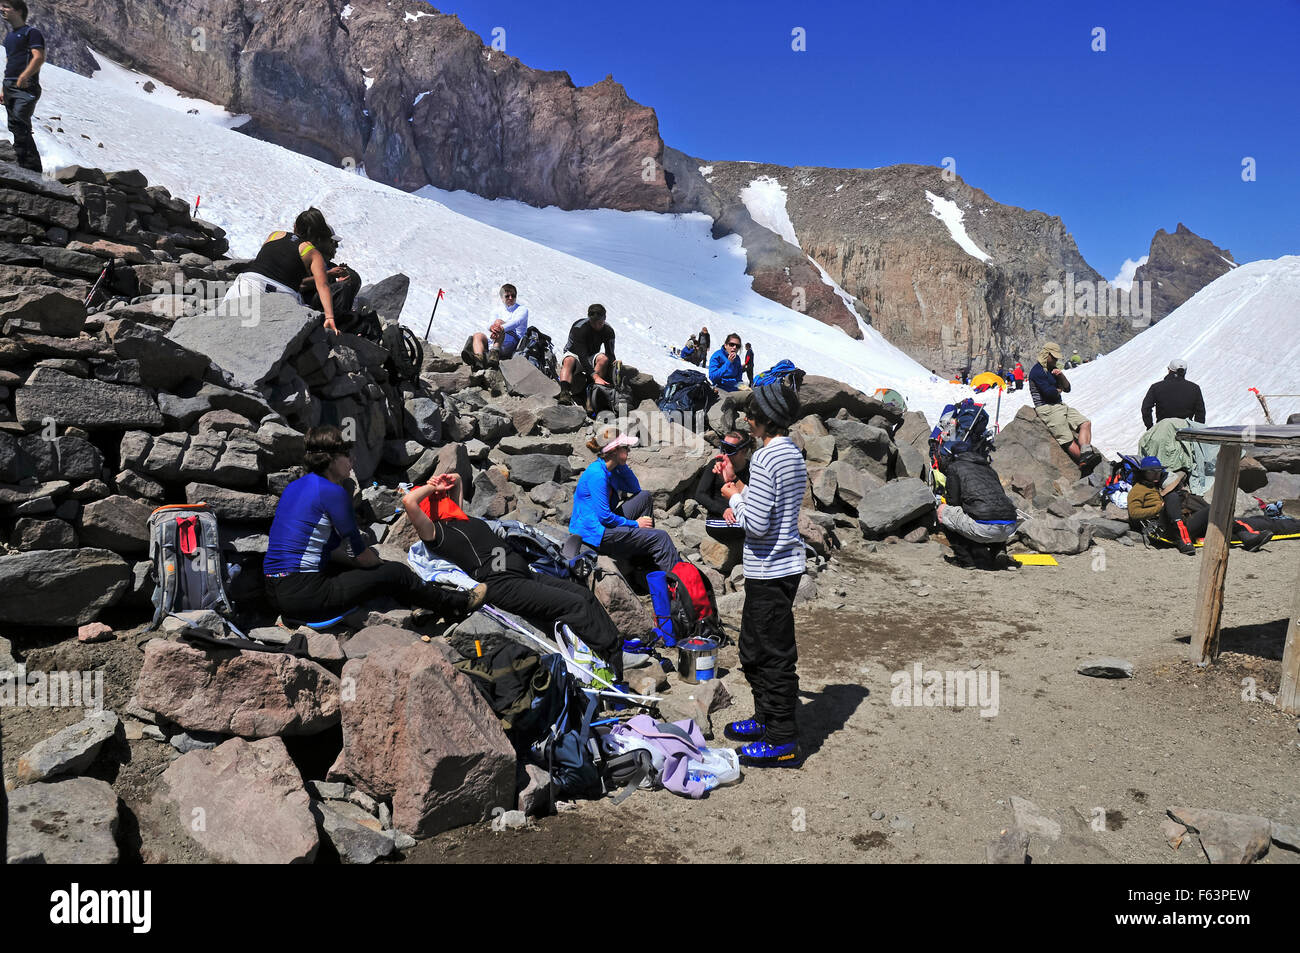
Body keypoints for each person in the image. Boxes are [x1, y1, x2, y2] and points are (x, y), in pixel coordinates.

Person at [402, 474, 623, 680]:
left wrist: (449, 480)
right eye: (435, 497)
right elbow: (409, 502)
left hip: (524, 574)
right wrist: (431, 487)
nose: (441, 497)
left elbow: (457, 481)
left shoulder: (460, 518)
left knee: (584, 595)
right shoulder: (435, 534)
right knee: (576, 606)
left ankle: (618, 645)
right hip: (503, 585)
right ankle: (613, 659)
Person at [263, 426, 484, 621]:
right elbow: (360, 556)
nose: (352, 461)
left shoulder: (296, 486)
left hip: (275, 591)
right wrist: (381, 564)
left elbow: (326, 547)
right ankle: (458, 604)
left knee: (369, 573)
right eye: (347, 455)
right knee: (395, 572)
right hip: (305, 595)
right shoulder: (332, 492)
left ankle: (418, 602)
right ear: (330, 458)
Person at [718, 380, 808, 768]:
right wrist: (740, 490)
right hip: (781, 566)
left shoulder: (767, 459)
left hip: (770, 569)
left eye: (751, 414)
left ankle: (781, 739)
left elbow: (755, 524)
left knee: (771, 654)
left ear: (764, 419)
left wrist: (732, 496)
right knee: (755, 647)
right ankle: (765, 718)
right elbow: (772, 510)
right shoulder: (792, 455)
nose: (746, 419)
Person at [569, 432, 679, 574]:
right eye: (626, 447)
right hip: (594, 533)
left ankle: (641, 557)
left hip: (602, 525)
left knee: (644, 497)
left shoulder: (610, 469)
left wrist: (622, 464)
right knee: (661, 537)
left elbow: (635, 489)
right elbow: (605, 517)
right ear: (614, 451)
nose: (629, 450)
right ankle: (678, 583)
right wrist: (636, 524)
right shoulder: (598, 475)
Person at [221, 208, 340, 332]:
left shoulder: (275, 235)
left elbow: (262, 259)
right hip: (281, 295)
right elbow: (323, 286)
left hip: (248, 284)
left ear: (296, 226)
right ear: (319, 233)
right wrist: (329, 316)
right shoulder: (313, 253)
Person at [1127, 460, 1273, 554]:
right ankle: (1182, 541)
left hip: (1182, 522)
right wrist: (1159, 507)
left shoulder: (1157, 485)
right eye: (1152, 472)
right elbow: (1134, 513)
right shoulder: (1138, 490)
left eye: (1158, 471)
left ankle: (1247, 537)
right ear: (1143, 473)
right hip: (1164, 527)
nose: (1156, 474)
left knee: (1214, 513)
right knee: (1179, 500)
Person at [935, 442, 1020, 570]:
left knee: (943, 511)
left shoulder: (955, 467)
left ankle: (966, 560)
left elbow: (954, 502)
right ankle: (998, 550)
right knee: (992, 510)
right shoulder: (989, 469)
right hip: (1009, 527)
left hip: (983, 528)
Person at [1028, 341, 1100, 470]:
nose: (1056, 360)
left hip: (1059, 405)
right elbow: (1049, 394)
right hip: (1047, 408)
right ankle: (1085, 462)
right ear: (1047, 355)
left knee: (1085, 423)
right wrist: (1058, 390)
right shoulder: (1037, 371)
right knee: (1066, 438)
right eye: (1054, 357)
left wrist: (1061, 376)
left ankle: (1086, 453)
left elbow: (1067, 388)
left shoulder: (1052, 369)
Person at [2, 1, 44, 174]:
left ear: (18, 11)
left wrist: (25, 76)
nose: (1, 9)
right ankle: (22, 164)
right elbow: (10, 63)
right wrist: (3, 89)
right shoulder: (9, 37)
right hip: (9, 84)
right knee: (14, 125)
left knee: (20, 121)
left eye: (6, 6)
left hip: (26, 86)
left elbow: (39, 57)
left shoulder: (31, 32)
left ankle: (32, 169)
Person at [463, 283, 530, 370]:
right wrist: (492, 328)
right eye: (507, 296)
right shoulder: (497, 310)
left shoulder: (522, 309)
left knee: (498, 322)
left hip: (514, 343)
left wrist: (500, 327)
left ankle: (494, 354)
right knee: (478, 335)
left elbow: (516, 322)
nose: (510, 298)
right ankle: (479, 359)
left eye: (513, 295)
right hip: (496, 338)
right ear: (502, 298)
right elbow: (489, 323)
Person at [558, 304, 616, 405]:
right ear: (589, 318)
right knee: (568, 360)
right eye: (594, 323)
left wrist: (614, 364)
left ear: (605, 318)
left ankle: (588, 395)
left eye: (600, 323)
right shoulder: (579, 328)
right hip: (574, 354)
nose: (597, 326)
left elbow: (610, 354)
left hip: (591, 355)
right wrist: (596, 377)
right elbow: (582, 356)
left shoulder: (608, 331)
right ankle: (564, 393)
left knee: (603, 359)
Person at [694, 431, 752, 522]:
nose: (725, 453)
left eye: (729, 449)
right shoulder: (716, 464)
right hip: (718, 518)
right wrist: (723, 510)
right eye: (723, 447)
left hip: (744, 517)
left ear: (744, 451)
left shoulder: (752, 470)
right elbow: (700, 494)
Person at [1141, 358, 1206, 430]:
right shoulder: (1195, 388)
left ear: (1169, 370)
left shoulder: (1156, 387)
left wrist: (1150, 427)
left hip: (1163, 429)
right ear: (1185, 371)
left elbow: (1146, 408)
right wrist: (1197, 430)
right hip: (1186, 431)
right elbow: (1200, 412)